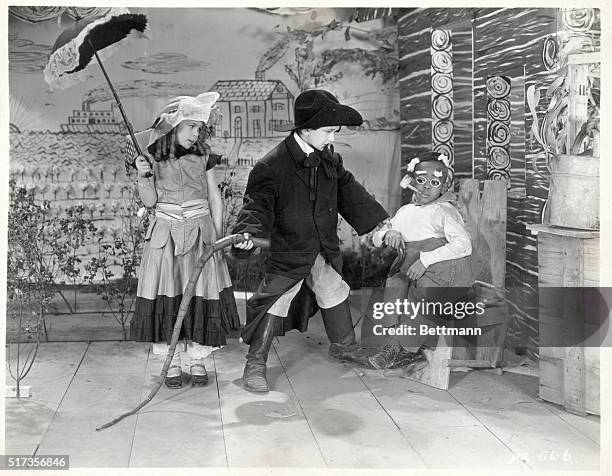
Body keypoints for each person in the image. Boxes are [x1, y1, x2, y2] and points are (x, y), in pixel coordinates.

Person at [232, 89, 389, 393]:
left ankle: (344, 346)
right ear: (305, 129)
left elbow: (349, 191)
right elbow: (256, 205)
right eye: (328, 131)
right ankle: (255, 363)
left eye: (334, 131)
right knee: (275, 302)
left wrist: (379, 222)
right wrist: (248, 232)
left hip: (323, 246)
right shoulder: (271, 165)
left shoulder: (329, 159)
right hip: (290, 250)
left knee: (332, 287)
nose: (332, 137)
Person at [127, 92, 240, 388]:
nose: (196, 132)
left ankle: (197, 359)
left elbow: (214, 196)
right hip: (165, 239)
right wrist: (143, 176)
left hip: (201, 234)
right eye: (190, 126)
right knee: (169, 293)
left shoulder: (204, 155)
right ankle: (172, 361)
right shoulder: (150, 158)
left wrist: (216, 235)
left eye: (198, 127)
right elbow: (150, 201)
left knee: (199, 293)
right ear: (172, 127)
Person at [368, 151, 475, 371]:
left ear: (443, 186)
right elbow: (376, 238)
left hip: (446, 273)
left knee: (424, 295)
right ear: (412, 181)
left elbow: (464, 245)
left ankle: (398, 349)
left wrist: (425, 260)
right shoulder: (406, 211)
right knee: (395, 285)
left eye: (434, 182)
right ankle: (403, 350)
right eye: (421, 180)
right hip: (414, 270)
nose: (426, 187)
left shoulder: (444, 211)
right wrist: (388, 233)